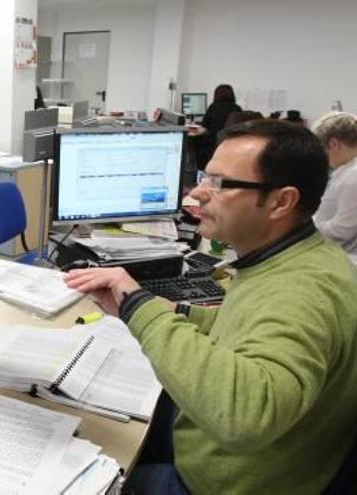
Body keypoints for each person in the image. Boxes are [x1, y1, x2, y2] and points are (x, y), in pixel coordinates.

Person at [64, 120, 357, 494]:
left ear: (282, 201)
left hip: (219, 481)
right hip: (244, 458)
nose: (198, 193)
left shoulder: (303, 291)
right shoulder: (301, 258)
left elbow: (245, 416)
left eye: (220, 183)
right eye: (205, 177)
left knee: (91, 458)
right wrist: (178, 312)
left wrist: (139, 306)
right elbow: (254, 328)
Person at [312, 111, 357, 262]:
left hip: (345, 257)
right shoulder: (347, 169)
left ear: (333, 144)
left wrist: (304, 229)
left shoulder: (353, 175)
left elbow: (343, 229)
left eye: (322, 150)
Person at [193, 84, 243, 170]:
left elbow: (204, 127)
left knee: (195, 140)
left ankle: (197, 171)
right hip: (230, 144)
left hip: (212, 144)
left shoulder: (213, 107)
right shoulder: (237, 108)